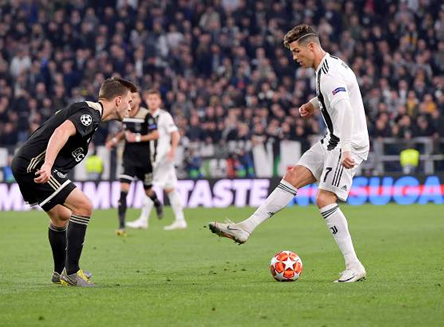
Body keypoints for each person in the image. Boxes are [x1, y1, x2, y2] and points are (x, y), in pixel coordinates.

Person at [209, 25, 369, 283]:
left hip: (346, 142)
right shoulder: (330, 67)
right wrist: (313, 104)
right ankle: (245, 228)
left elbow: (346, 110)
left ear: (312, 47)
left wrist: (347, 148)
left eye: (296, 51)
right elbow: (338, 93)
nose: (294, 57)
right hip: (332, 139)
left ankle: (354, 265)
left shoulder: (328, 75)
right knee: (293, 175)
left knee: (325, 199)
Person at [11, 77, 137, 287]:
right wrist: (48, 165)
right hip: (34, 165)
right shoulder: (91, 115)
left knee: (62, 217)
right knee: (84, 206)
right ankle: (72, 274)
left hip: (27, 163)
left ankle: (59, 272)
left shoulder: (90, 113)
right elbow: (61, 132)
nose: (130, 106)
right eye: (129, 100)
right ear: (117, 101)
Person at [126, 89, 187, 230]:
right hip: (152, 158)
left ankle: (143, 220)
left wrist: (172, 150)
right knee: (170, 189)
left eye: (155, 99)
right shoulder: (145, 116)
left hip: (163, 158)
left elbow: (175, 135)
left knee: (150, 186)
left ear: (159, 101)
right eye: (150, 99)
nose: (153, 101)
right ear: (146, 101)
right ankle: (180, 220)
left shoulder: (164, 116)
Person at [106, 92, 163, 237]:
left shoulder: (146, 115)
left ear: (139, 100)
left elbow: (155, 135)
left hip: (144, 161)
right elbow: (124, 133)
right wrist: (114, 141)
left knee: (148, 191)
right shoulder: (125, 114)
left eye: (134, 98)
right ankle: (121, 226)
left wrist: (137, 138)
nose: (131, 100)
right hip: (129, 159)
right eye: (129, 98)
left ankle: (157, 202)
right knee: (123, 191)